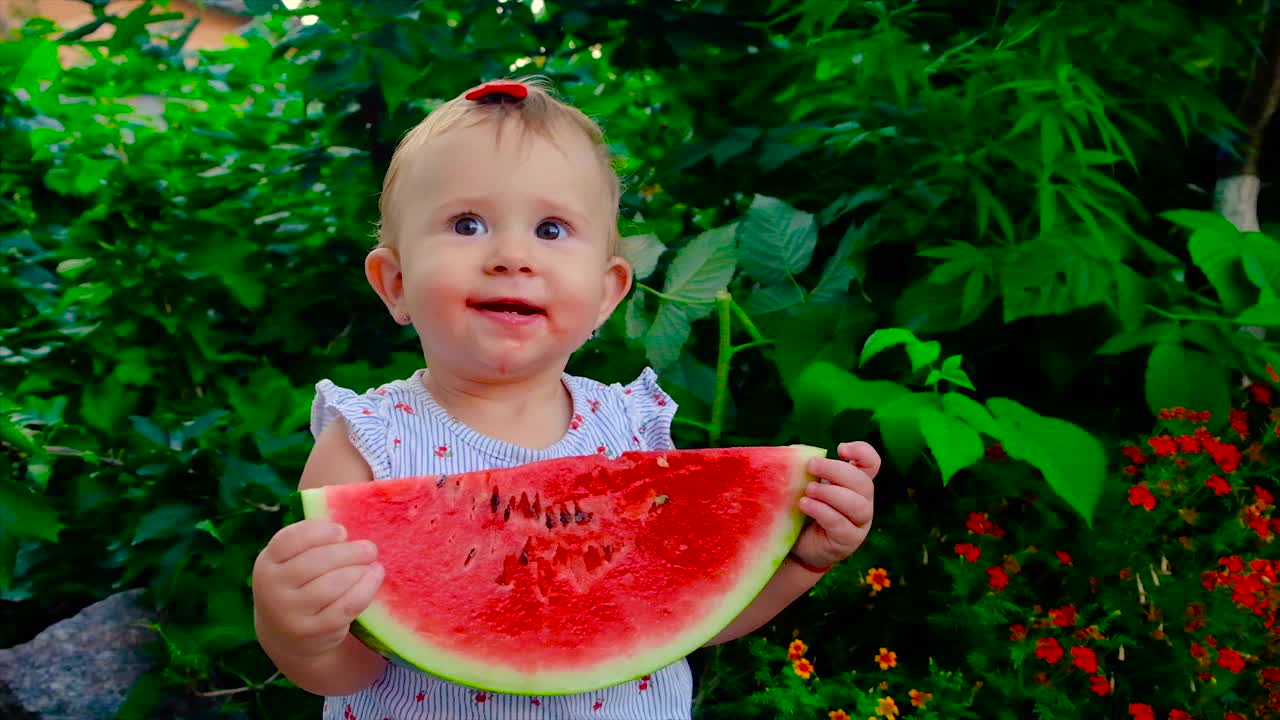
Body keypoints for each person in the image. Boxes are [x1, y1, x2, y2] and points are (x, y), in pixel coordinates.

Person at [250, 76, 880, 719]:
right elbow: (350, 672)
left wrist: (801, 563)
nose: (512, 255)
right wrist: (295, 632)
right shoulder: (365, 443)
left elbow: (679, 615)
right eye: (466, 224)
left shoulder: (632, 428)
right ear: (396, 283)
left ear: (607, 294)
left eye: (551, 229)